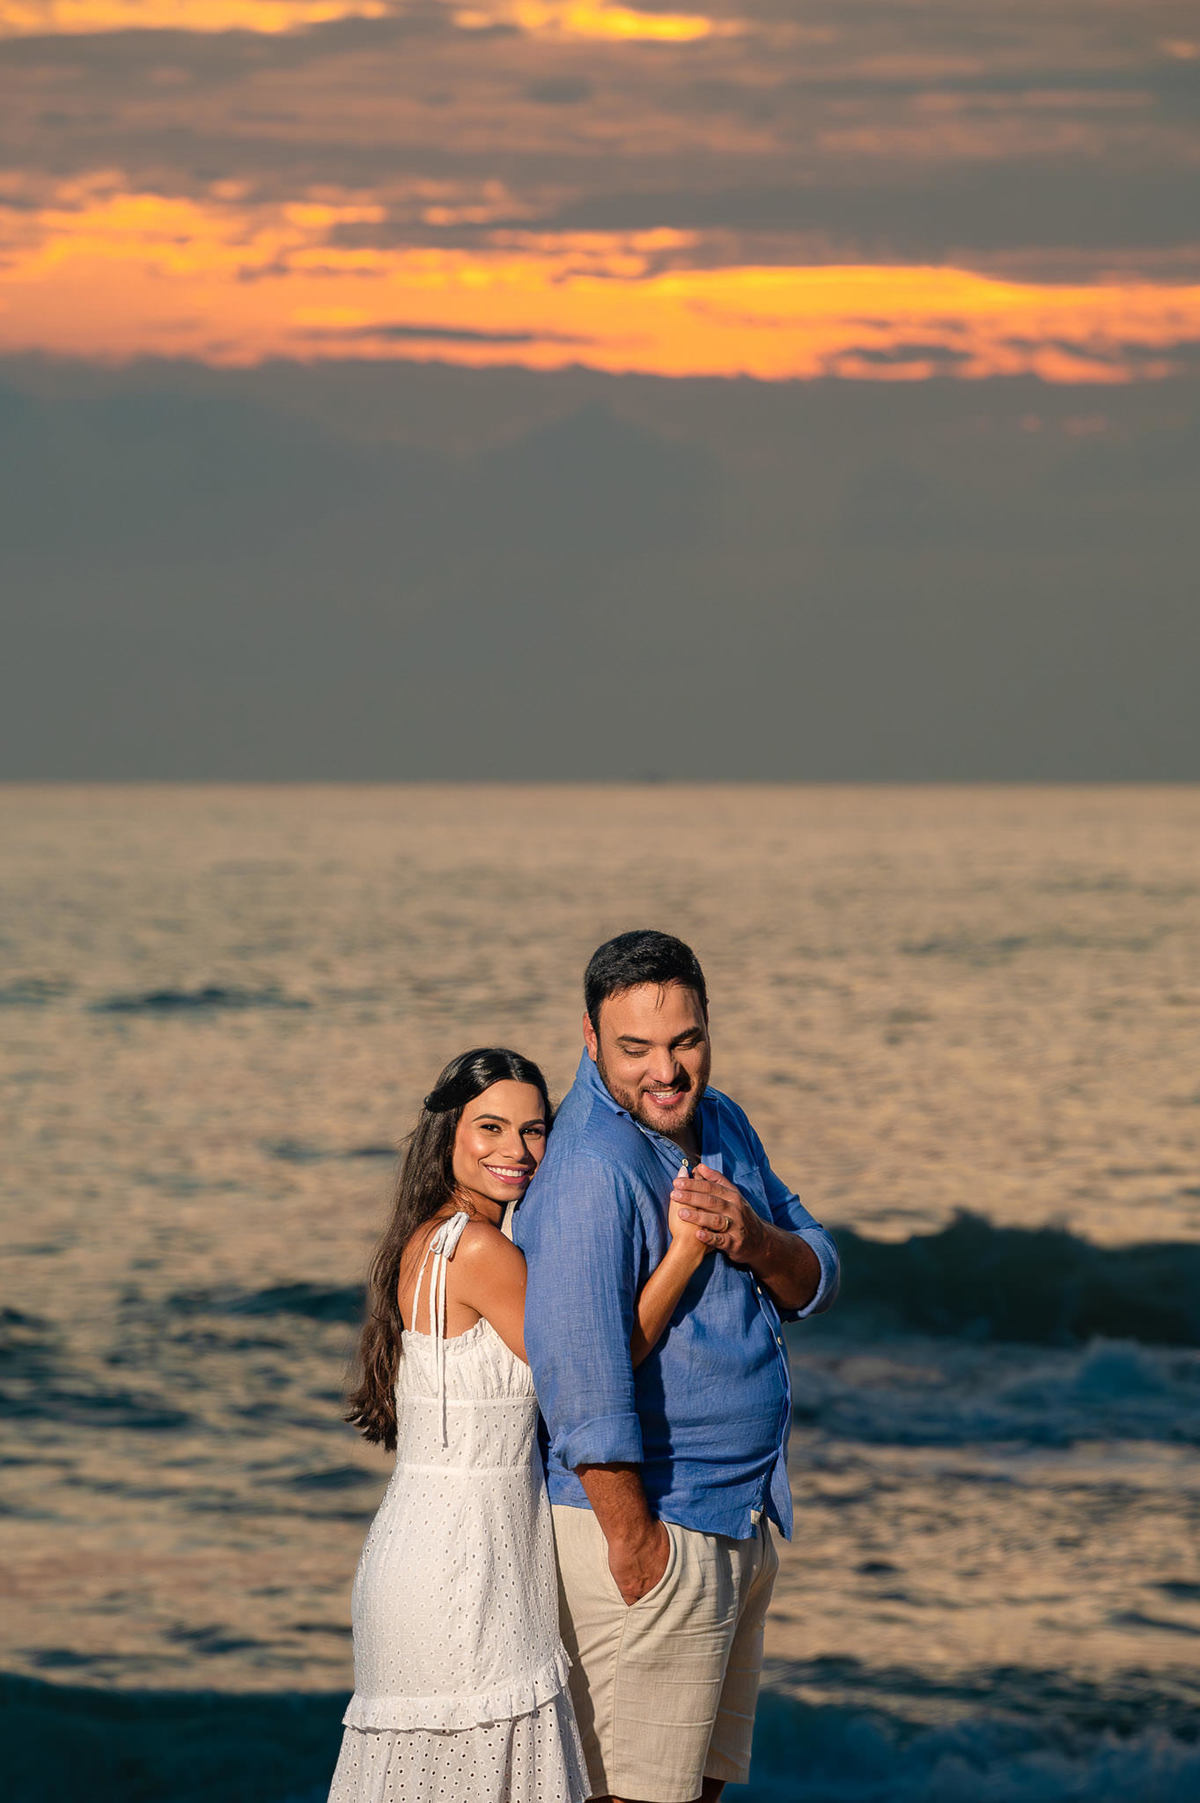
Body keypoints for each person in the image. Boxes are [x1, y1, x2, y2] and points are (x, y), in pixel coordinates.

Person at [329, 1045, 712, 1803]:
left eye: (536, 1131)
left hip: (422, 1546)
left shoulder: (426, 1241)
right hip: (468, 1562)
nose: (517, 1150)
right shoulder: (477, 1247)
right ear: (449, 1135)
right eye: (492, 1128)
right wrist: (686, 1251)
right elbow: (596, 1359)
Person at [513, 932, 841, 1803]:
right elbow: (580, 1380)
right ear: (589, 1038)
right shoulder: (591, 1168)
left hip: (737, 1511)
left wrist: (751, 1233)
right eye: (635, 1049)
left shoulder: (722, 1120)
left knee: (695, 1791)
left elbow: (817, 1271)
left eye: (685, 1040)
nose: (666, 1070)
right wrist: (636, 1541)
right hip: (656, 1520)